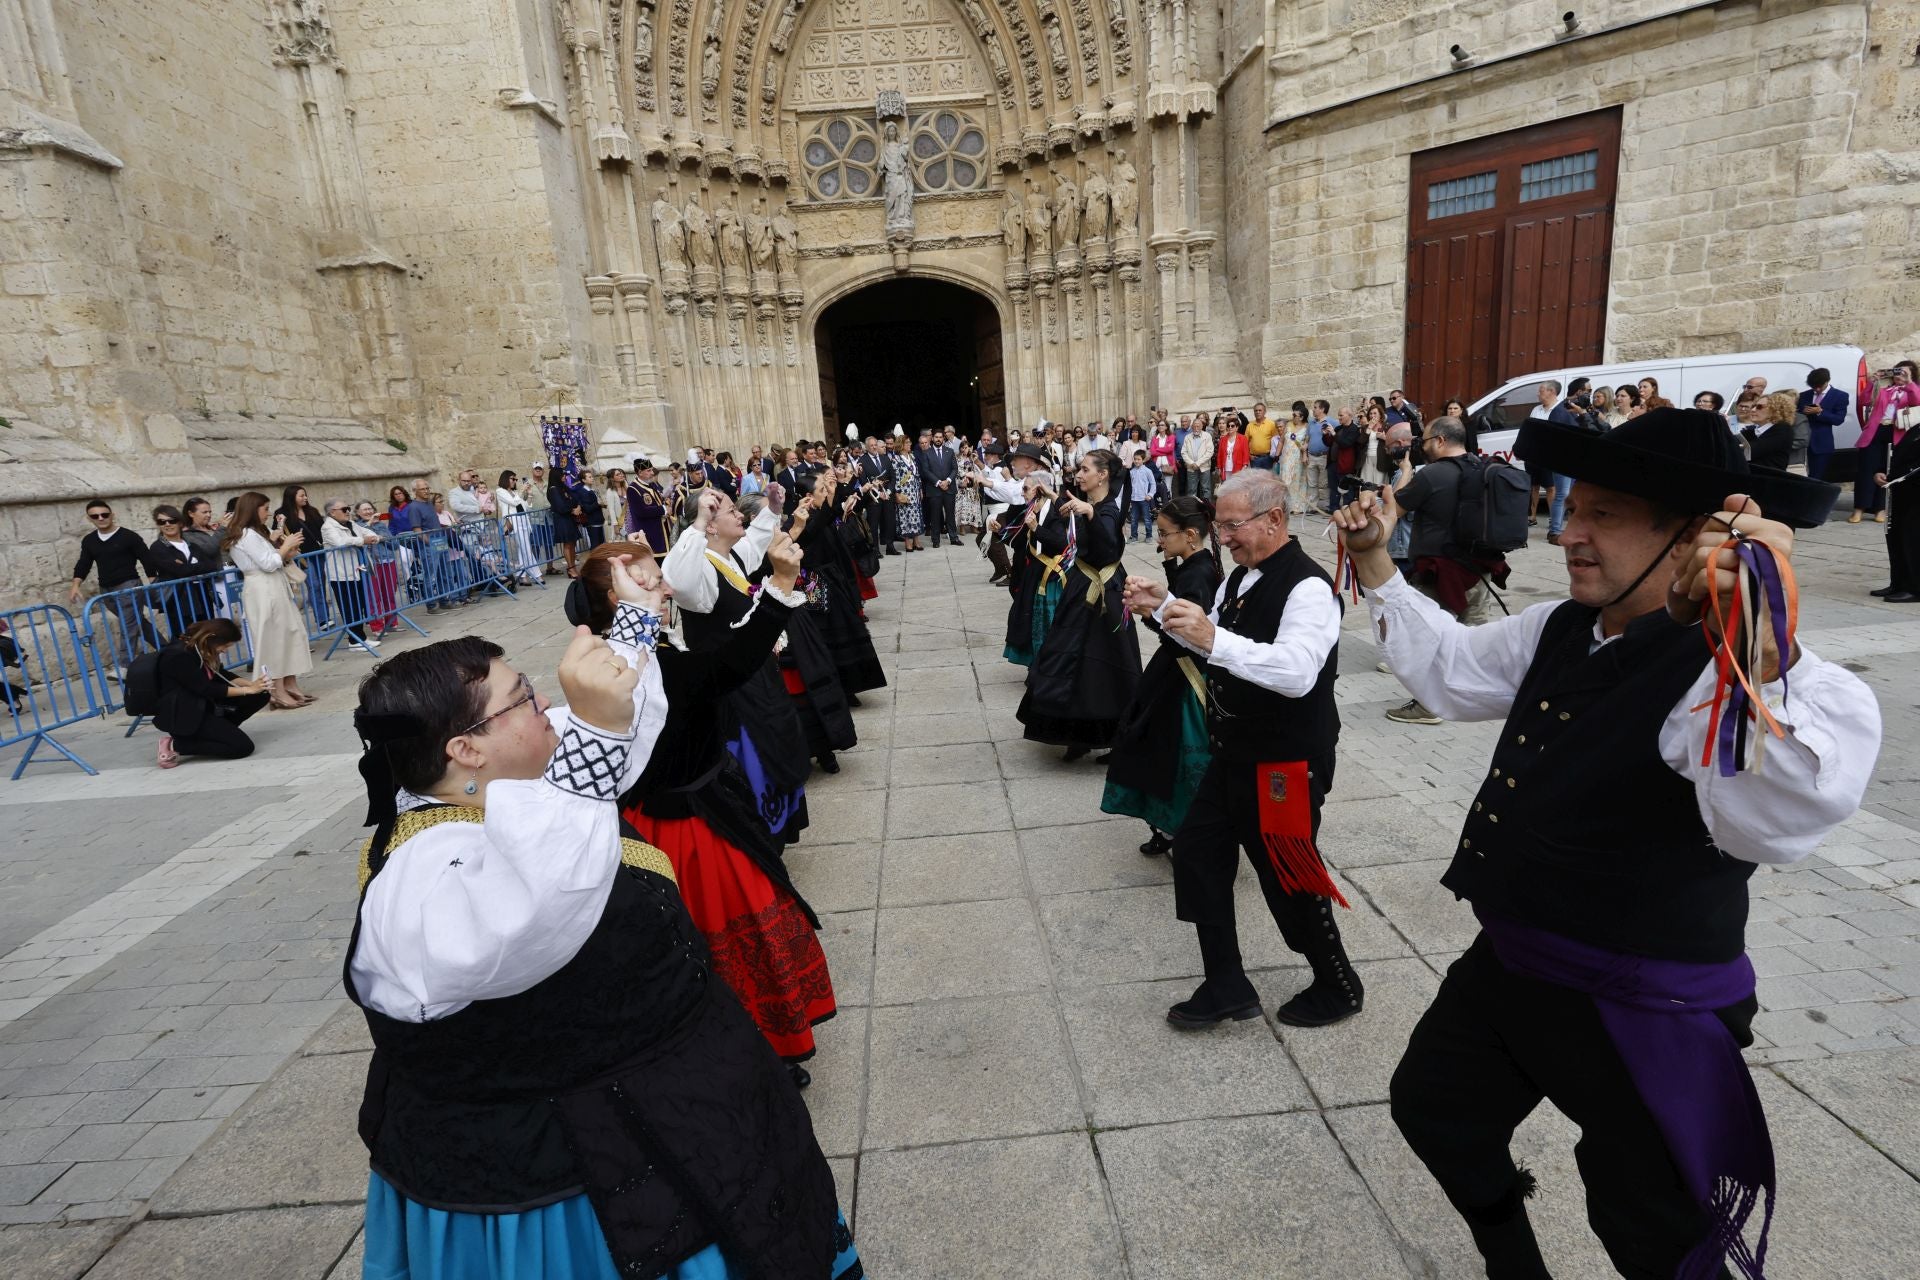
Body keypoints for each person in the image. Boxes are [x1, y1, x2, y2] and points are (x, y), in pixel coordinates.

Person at [1334, 406, 1878, 1279]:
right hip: (1515, 966)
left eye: (1604, 516)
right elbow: (1450, 670)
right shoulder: (1559, 628)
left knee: (1651, 1228)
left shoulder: (1733, 669)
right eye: (1571, 507)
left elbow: (1774, 820)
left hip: (1643, 1007)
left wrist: (1756, 653)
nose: (1569, 535)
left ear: (1695, 536)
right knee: (1433, 1107)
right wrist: (1374, 566)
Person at [345, 615, 859, 1280]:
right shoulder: (422, 870)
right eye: (525, 698)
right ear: (466, 750)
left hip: (671, 1113)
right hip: (573, 1185)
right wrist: (596, 728)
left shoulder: (511, 793)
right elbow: (528, 913)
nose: (548, 708)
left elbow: (604, 759)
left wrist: (634, 630)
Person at [570, 538, 840, 1082]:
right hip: (688, 833)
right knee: (729, 937)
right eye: (652, 580)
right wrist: (782, 585)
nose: (667, 587)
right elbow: (732, 665)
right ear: (623, 601)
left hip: (667, 819)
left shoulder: (615, 662)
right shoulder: (642, 671)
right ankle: (746, 1046)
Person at [1123, 468, 1360, 1030]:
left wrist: (1211, 636)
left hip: (1285, 761)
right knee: (1199, 856)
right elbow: (1219, 651)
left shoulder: (1307, 587)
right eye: (1219, 526)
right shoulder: (1239, 579)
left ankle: (1339, 982)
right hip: (1232, 754)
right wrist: (1163, 610)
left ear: (1273, 519)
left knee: (1289, 878)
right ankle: (1225, 982)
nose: (1222, 537)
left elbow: (1297, 672)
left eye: (1231, 526)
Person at [664, 487, 813, 847]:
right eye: (731, 511)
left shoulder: (729, 558)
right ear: (711, 527)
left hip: (755, 673)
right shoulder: (699, 571)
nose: (739, 515)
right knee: (755, 757)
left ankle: (778, 827)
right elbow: (678, 580)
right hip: (731, 689)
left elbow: (758, 540)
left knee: (777, 740)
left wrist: (774, 508)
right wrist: (698, 518)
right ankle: (760, 833)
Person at [1101, 497, 1220, 858]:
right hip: (1173, 669)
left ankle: (1182, 830)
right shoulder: (1197, 563)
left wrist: (1149, 614)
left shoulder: (1200, 572)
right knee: (1156, 749)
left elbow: (1186, 636)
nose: (1160, 539)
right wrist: (1169, 567)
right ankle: (1171, 827)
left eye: (1166, 534)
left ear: (1191, 534)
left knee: (1168, 754)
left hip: (1182, 676)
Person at [1017, 449, 1141, 761]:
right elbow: (1075, 541)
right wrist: (1049, 508)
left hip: (1104, 596)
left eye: (1085, 469)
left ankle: (1119, 738)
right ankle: (1079, 734)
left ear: (1103, 475)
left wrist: (1089, 513)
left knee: (1105, 666)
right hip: (1081, 588)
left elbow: (1109, 543)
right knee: (1073, 660)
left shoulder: (1108, 510)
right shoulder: (1091, 507)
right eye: (1078, 469)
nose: (1079, 474)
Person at [222, 491, 314, 708]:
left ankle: (289, 684)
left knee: (288, 633)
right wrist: (284, 546)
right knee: (272, 639)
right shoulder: (245, 534)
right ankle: (275, 690)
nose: (268, 513)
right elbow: (268, 563)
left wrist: (286, 551)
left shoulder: (254, 533)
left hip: (273, 585)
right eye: (265, 509)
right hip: (262, 589)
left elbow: (272, 560)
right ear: (253, 510)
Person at [151, 619, 271, 767]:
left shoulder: (200, 648)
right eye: (225, 645)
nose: (225, 650)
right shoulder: (178, 655)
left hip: (204, 705)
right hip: (186, 715)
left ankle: (220, 733)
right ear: (211, 638)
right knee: (242, 748)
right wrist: (247, 690)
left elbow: (220, 674)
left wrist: (252, 685)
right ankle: (176, 745)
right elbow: (206, 688)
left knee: (260, 694)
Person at [69, 497, 162, 672]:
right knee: (135, 622)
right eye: (95, 516)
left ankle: (124, 666)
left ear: (112, 515)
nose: (100, 518)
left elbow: (146, 558)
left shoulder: (129, 536)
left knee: (128, 624)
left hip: (129, 586)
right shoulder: (89, 540)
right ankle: (166, 648)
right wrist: (75, 585)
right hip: (106, 590)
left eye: (104, 514)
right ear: (90, 519)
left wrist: (152, 582)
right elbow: (84, 563)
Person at [999, 443, 1068, 666]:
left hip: (1049, 579)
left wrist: (1037, 528)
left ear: (1039, 490)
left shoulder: (1055, 510)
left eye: (1026, 488)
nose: (1022, 491)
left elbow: (1061, 542)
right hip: (1030, 574)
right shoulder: (1031, 508)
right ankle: (1035, 665)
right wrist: (999, 530)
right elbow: (1017, 540)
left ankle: (1045, 667)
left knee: (1044, 626)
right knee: (1026, 622)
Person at [1855, 360, 1919, 522]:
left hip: (1897, 433)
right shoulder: (1885, 390)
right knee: (1866, 469)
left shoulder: (1913, 390)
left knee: (1887, 470)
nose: (1899, 376)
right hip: (1876, 431)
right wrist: (1872, 382)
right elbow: (1864, 401)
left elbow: (1916, 402)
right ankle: (1859, 508)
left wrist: (1908, 382)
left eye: (1904, 372)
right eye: (1898, 372)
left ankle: (1880, 509)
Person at [147, 504, 220, 634]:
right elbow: (181, 571)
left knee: (208, 636)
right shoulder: (158, 547)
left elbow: (212, 566)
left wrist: (188, 567)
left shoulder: (192, 545)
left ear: (180, 522)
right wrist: (195, 567)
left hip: (202, 596)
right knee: (185, 639)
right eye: (161, 522)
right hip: (179, 601)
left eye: (172, 520)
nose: (167, 524)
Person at [321, 498, 384, 650]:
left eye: (348, 508)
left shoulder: (350, 523)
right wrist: (363, 540)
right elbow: (340, 542)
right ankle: (354, 641)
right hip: (341, 573)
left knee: (360, 604)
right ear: (332, 512)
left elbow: (365, 531)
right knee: (349, 607)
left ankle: (360, 636)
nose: (347, 512)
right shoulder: (328, 527)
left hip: (356, 570)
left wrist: (374, 537)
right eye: (344, 509)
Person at [1874, 409, 1920, 602]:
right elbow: (1898, 455)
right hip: (1901, 492)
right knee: (1896, 537)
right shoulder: (1916, 429)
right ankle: (1898, 582)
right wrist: (1882, 473)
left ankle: (1914, 588)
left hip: (1916, 493)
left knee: (1913, 540)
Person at [276, 485, 331, 628]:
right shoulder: (282, 513)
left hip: (318, 553)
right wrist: (281, 522)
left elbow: (322, 529)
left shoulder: (312, 511)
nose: (305, 498)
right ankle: (322, 620)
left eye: (305, 495)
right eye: (301, 495)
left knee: (320, 584)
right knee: (314, 584)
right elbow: (278, 534)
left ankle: (325, 616)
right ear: (291, 497)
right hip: (300, 556)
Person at [355, 501, 404, 634]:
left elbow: (394, 545)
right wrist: (370, 525)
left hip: (388, 560)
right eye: (364, 509)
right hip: (372, 563)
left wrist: (382, 537)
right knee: (373, 595)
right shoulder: (357, 526)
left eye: (370, 509)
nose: (368, 512)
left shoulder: (381, 525)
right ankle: (377, 626)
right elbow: (361, 542)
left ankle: (391, 622)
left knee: (389, 593)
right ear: (358, 513)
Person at [1797, 367, 1850, 481]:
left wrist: (1820, 412)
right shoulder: (1803, 395)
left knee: (1817, 477)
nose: (1816, 389)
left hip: (1821, 443)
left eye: (1819, 386)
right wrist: (1803, 412)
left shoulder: (1840, 396)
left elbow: (1838, 420)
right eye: (1813, 387)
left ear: (1827, 381)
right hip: (1800, 443)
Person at [916, 429, 960, 546]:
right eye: (936, 437)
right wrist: (939, 482)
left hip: (949, 488)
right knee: (935, 516)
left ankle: (954, 538)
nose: (938, 439)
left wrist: (948, 481)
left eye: (940, 437)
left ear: (943, 439)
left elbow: (955, 469)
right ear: (932, 438)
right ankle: (935, 540)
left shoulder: (949, 451)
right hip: (934, 489)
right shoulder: (926, 453)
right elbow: (925, 471)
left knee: (950, 514)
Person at [625, 459, 670, 553]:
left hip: (661, 529)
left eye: (652, 470)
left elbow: (658, 501)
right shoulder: (633, 489)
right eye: (649, 470)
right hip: (649, 531)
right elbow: (642, 511)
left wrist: (665, 503)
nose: (652, 473)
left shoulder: (651, 484)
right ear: (640, 472)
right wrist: (663, 509)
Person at [1743, 391, 1795, 471]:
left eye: (1759, 407)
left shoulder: (1783, 429)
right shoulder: (1752, 431)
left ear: (1775, 409)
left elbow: (1750, 452)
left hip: (1770, 480)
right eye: (1753, 406)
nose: (1753, 410)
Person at [1277, 401, 1312, 515]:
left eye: (1294, 415)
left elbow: (1306, 443)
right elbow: (1282, 440)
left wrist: (1305, 455)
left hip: (1298, 458)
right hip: (1286, 458)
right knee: (1285, 480)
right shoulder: (1288, 425)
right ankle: (1286, 505)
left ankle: (1297, 506)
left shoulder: (1307, 427)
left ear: (1301, 417)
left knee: (1297, 482)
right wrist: (1277, 454)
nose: (1292, 417)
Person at [891, 434, 924, 551]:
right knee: (906, 517)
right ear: (901, 445)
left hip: (914, 491)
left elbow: (917, 475)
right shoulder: (896, 459)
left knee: (916, 516)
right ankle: (908, 543)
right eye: (907, 443)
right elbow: (896, 478)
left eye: (910, 442)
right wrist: (897, 493)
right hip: (904, 492)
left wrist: (920, 489)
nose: (910, 444)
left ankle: (916, 540)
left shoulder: (912, 457)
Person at [1180, 415, 1215, 500]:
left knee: (1206, 489)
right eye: (1194, 426)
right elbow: (1183, 452)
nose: (1196, 428)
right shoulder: (1188, 437)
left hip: (1204, 467)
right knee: (1191, 490)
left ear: (1202, 426)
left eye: (1198, 426)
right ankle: (1192, 509)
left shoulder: (1207, 436)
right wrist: (1192, 463)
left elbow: (1210, 452)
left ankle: (1207, 510)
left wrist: (1198, 463)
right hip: (1191, 467)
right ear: (1192, 427)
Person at [1125, 449, 1157, 542]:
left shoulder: (1148, 471)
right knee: (1134, 519)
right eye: (1135, 459)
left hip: (1144, 499)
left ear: (1143, 460)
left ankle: (1149, 536)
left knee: (1147, 518)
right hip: (1134, 499)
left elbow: (1153, 484)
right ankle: (1134, 536)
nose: (1136, 461)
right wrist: (1129, 497)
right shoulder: (1132, 472)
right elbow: (1130, 486)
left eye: (1138, 459)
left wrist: (1150, 495)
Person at [1215, 413, 1251, 484]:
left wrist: (1245, 465)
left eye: (1232, 426)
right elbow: (1219, 455)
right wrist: (1219, 467)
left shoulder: (1242, 438)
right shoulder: (1223, 439)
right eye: (1228, 426)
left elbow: (1246, 453)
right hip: (1226, 467)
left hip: (1238, 467)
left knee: (1237, 487)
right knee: (1227, 487)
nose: (1230, 427)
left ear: (1237, 427)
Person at [1245, 403, 1277, 471]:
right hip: (1254, 459)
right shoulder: (1249, 425)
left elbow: (1276, 441)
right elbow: (1245, 443)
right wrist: (1249, 456)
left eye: (1260, 410)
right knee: (1256, 480)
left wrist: (1275, 457)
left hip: (1268, 458)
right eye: (1256, 411)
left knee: (1268, 480)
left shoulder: (1271, 424)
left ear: (1264, 411)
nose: (1258, 412)